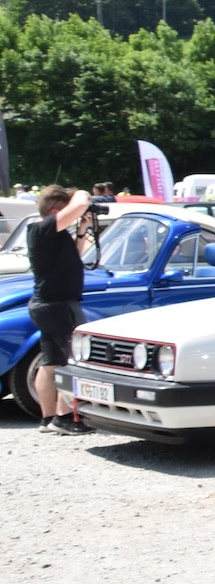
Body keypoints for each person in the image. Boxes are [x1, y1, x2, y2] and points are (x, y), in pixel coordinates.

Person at [26, 185, 96, 434]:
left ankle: (48, 418)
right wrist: (82, 196)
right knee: (74, 359)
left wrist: (81, 232)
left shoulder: (51, 234)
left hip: (49, 304)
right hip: (57, 305)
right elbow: (78, 204)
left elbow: (72, 259)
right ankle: (64, 417)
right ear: (56, 210)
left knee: (51, 362)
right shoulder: (43, 228)